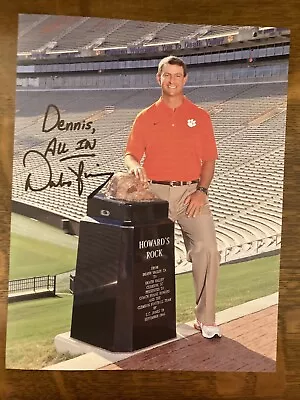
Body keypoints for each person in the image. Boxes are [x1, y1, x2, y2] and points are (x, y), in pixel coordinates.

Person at [124, 55, 221, 339]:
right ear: (159, 78)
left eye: (177, 75)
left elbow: (209, 160)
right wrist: (135, 166)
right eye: (167, 75)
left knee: (208, 249)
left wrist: (202, 192)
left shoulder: (200, 116)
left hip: (191, 193)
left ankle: (206, 319)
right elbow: (130, 153)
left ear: (185, 79)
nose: (172, 81)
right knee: (146, 257)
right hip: (155, 194)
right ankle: (143, 319)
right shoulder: (145, 117)